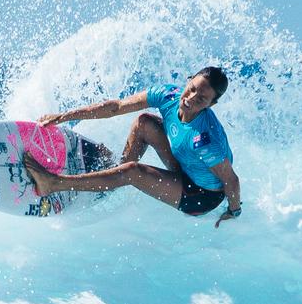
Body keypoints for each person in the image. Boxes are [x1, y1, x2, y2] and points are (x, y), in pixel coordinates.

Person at [23, 67, 241, 228]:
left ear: (211, 105)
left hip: (200, 195)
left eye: (202, 99)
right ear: (189, 79)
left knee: (133, 172)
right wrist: (62, 117)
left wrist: (233, 211)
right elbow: (115, 107)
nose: (191, 99)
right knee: (144, 123)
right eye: (192, 89)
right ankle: (114, 173)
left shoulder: (205, 140)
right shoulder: (168, 96)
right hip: (185, 165)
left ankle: (53, 184)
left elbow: (231, 180)